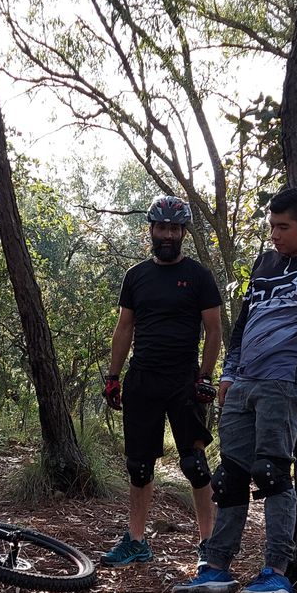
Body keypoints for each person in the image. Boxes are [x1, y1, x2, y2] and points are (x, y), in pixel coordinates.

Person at [172, 186, 297, 593]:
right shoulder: (265, 263)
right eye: (271, 226)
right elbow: (243, 322)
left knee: (271, 474)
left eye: (283, 227)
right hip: (243, 383)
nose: (274, 235)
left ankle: (276, 572)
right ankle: (215, 568)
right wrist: (229, 374)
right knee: (229, 478)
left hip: (285, 386)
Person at [99, 195, 223, 567]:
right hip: (143, 379)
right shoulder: (135, 276)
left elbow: (213, 330)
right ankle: (136, 541)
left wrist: (205, 376)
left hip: (183, 380)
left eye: (174, 228)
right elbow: (124, 328)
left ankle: (210, 546)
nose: (168, 234)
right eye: (162, 227)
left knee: (195, 465)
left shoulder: (199, 276)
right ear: (151, 230)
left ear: (183, 232)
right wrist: (113, 377)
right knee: (139, 466)